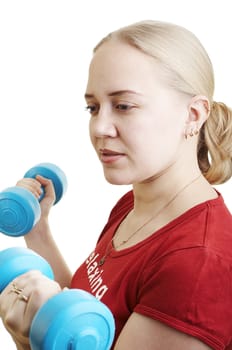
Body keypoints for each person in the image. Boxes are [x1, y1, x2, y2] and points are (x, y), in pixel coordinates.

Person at [0, 19, 232, 350]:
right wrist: (38, 231)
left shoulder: (199, 264)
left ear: (193, 115)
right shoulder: (135, 203)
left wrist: (28, 341)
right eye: (93, 107)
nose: (100, 128)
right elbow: (83, 314)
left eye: (123, 105)